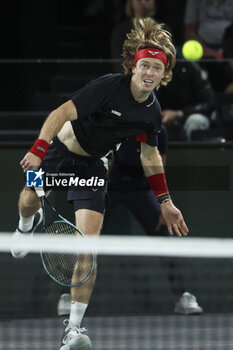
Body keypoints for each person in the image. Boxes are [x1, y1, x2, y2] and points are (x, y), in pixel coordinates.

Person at [12, 18, 189, 350]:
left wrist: (165, 201)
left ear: (162, 75)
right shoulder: (108, 87)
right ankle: (26, 224)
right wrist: (38, 149)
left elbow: (150, 156)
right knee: (26, 200)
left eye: (156, 68)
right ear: (133, 68)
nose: (149, 72)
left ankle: (73, 330)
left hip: (93, 166)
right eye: (144, 65)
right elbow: (61, 111)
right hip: (57, 154)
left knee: (88, 249)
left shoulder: (151, 113)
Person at [57, 125, 203, 317]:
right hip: (109, 187)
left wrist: (163, 202)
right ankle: (68, 296)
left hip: (141, 189)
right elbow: (106, 163)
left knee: (164, 236)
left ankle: (183, 296)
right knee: (85, 238)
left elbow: (159, 163)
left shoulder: (158, 129)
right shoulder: (115, 126)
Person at [156, 54, 216, 141]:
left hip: (192, 114)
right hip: (165, 116)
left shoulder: (191, 68)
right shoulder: (152, 72)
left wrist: (179, 113)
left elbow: (210, 103)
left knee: (195, 121)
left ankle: (193, 154)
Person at [184, 0, 233, 91]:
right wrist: (207, 51)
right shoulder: (195, 2)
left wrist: (228, 54)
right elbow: (189, 32)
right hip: (203, 49)